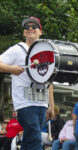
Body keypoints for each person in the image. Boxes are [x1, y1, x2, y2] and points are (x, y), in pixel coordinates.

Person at [0, 16, 54, 150]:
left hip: (41, 103)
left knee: (30, 140)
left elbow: (49, 79)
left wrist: (51, 104)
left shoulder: (46, 51)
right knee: (35, 138)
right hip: (25, 102)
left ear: (40, 31)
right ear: (24, 32)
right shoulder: (17, 49)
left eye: (34, 26)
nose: (30, 29)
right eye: (27, 27)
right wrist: (11, 69)